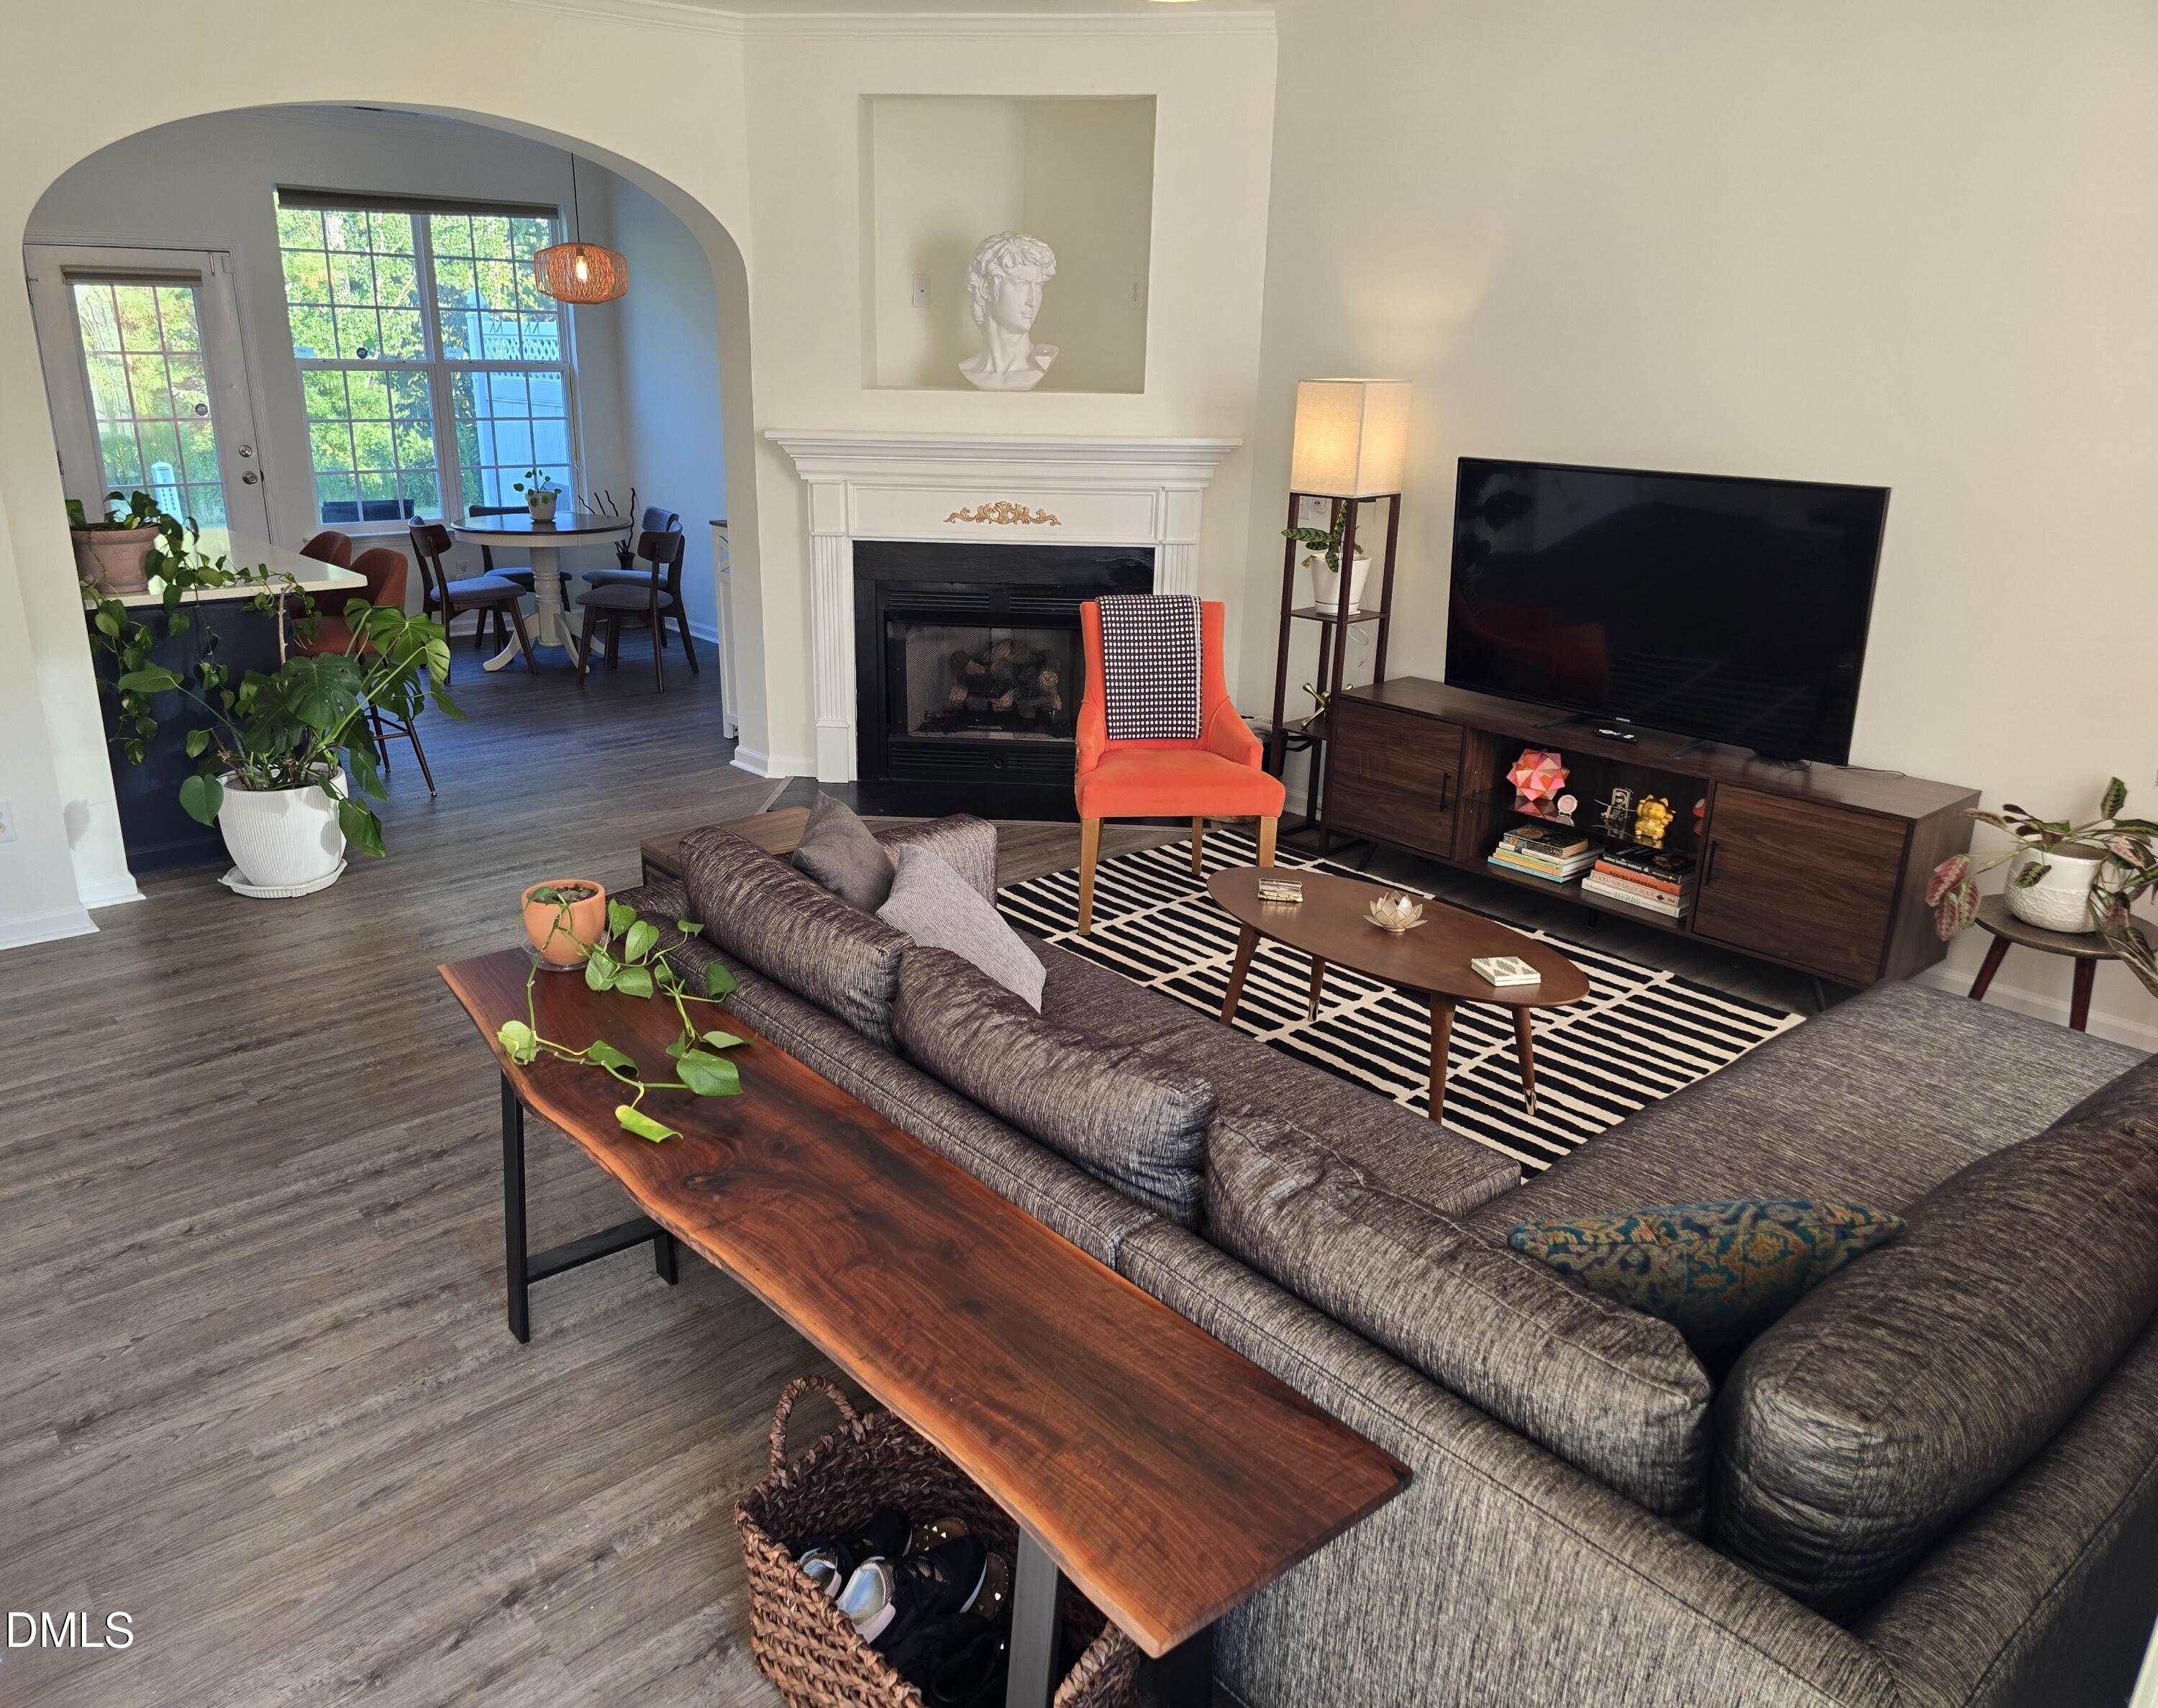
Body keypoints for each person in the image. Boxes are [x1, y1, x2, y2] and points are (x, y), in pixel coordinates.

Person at [959, 232, 1058, 391]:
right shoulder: (968, 369)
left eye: (1038, 287)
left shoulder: (1042, 361)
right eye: (1022, 285)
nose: (1032, 301)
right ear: (987, 289)